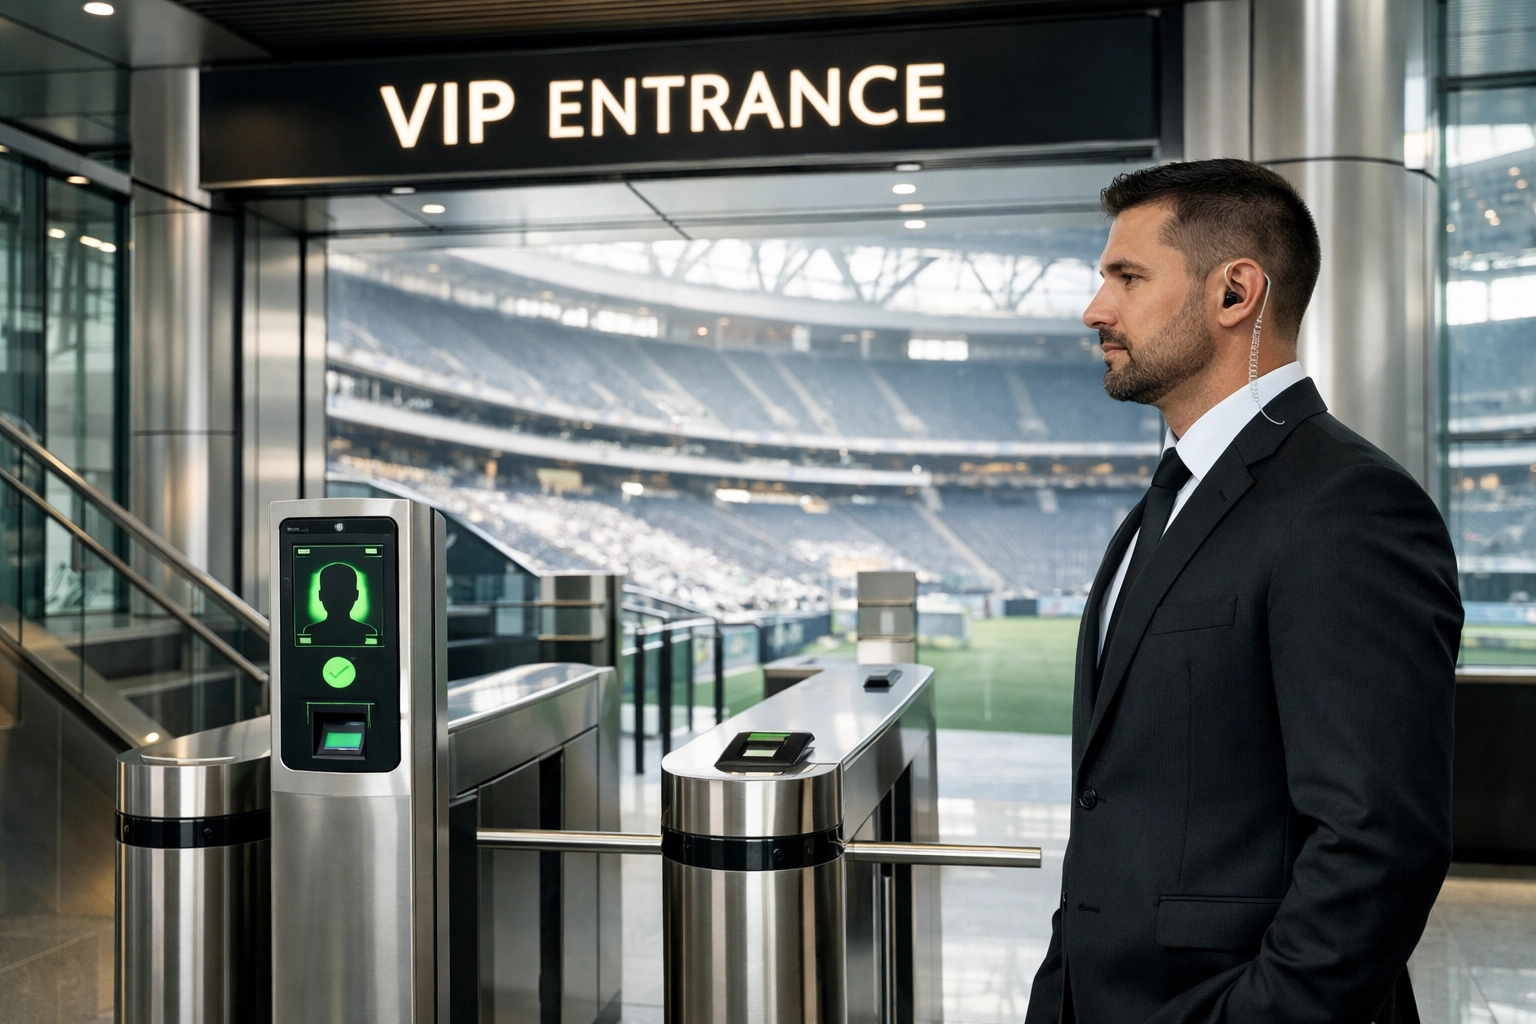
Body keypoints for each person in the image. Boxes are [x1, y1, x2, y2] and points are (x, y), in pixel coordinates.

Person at [1023, 158, 1463, 1024]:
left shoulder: (1350, 505)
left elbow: (1378, 845)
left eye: (1128, 276)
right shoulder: (1172, 494)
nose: (1095, 309)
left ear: (1236, 294)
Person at [304, 562, 376, 645]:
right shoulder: (367, 631)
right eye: (332, 592)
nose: (338, 597)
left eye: (343, 592)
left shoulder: (312, 631)